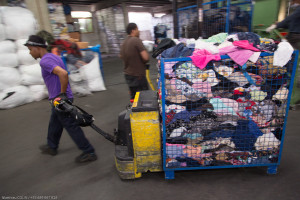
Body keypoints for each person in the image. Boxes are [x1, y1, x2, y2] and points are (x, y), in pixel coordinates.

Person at [24, 35, 97, 163]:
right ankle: (52, 146)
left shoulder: (45, 61)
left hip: (61, 100)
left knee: (71, 125)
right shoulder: (54, 57)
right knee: (55, 122)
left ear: (37, 48)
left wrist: (61, 95)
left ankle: (89, 151)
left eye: (30, 49)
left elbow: (63, 74)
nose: (30, 53)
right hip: (59, 99)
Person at [120, 23, 150, 99]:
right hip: (138, 77)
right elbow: (146, 57)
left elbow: (121, 56)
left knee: (134, 99)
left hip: (128, 75)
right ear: (133, 30)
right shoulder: (136, 40)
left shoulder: (124, 43)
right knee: (144, 99)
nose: (138, 31)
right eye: (137, 29)